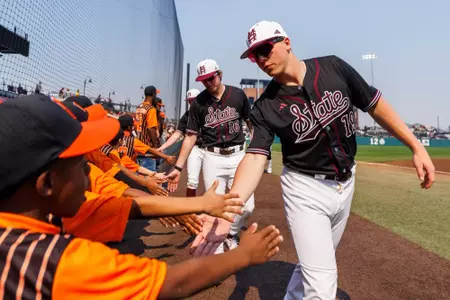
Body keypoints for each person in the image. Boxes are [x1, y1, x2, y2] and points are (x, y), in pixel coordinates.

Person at [191, 20, 436, 300]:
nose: (260, 59)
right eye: (254, 55)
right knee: (322, 284)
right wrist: (229, 212)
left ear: (287, 42)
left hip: (346, 182)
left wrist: (416, 146)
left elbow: (374, 103)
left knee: (315, 266)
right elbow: (256, 156)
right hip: (305, 189)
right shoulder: (266, 106)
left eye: (265, 49)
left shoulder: (333, 67)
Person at [0, 94, 284, 299]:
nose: (89, 176)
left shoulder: (32, 215)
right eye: (80, 166)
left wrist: (195, 204)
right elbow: (171, 282)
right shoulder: (59, 262)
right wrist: (244, 255)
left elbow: (125, 203)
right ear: (47, 183)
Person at [165, 59, 255, 253]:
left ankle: (229, 234)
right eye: (204, 80)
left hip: (238, 155)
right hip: (212, 157)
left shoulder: (237, 95)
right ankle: (217, 253)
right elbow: (190, 136)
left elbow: (250, 122)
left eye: (211, 78)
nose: (208, 83)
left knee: (247, 206)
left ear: (219, 74)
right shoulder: (199, 103)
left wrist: (256, 149)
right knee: (214, 207)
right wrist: (178, 167)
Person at [158, 88, 206, 235]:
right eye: (190, 101)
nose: (192, 103)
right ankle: (191, 212)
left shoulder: (209, 111)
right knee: (192, 181)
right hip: (196, 149)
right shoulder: (187, 115)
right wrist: (164, 146)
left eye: (194, 100)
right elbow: (178, 134)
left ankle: (212, 211)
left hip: (211, 149)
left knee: (214, 181)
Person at [135, 86, 160, 171]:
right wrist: (155, 145)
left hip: (138, 146)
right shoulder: (151, 109)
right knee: (151, 178)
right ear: (153, 94)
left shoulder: (138, 107)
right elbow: (151, 129)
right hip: (147, 148)